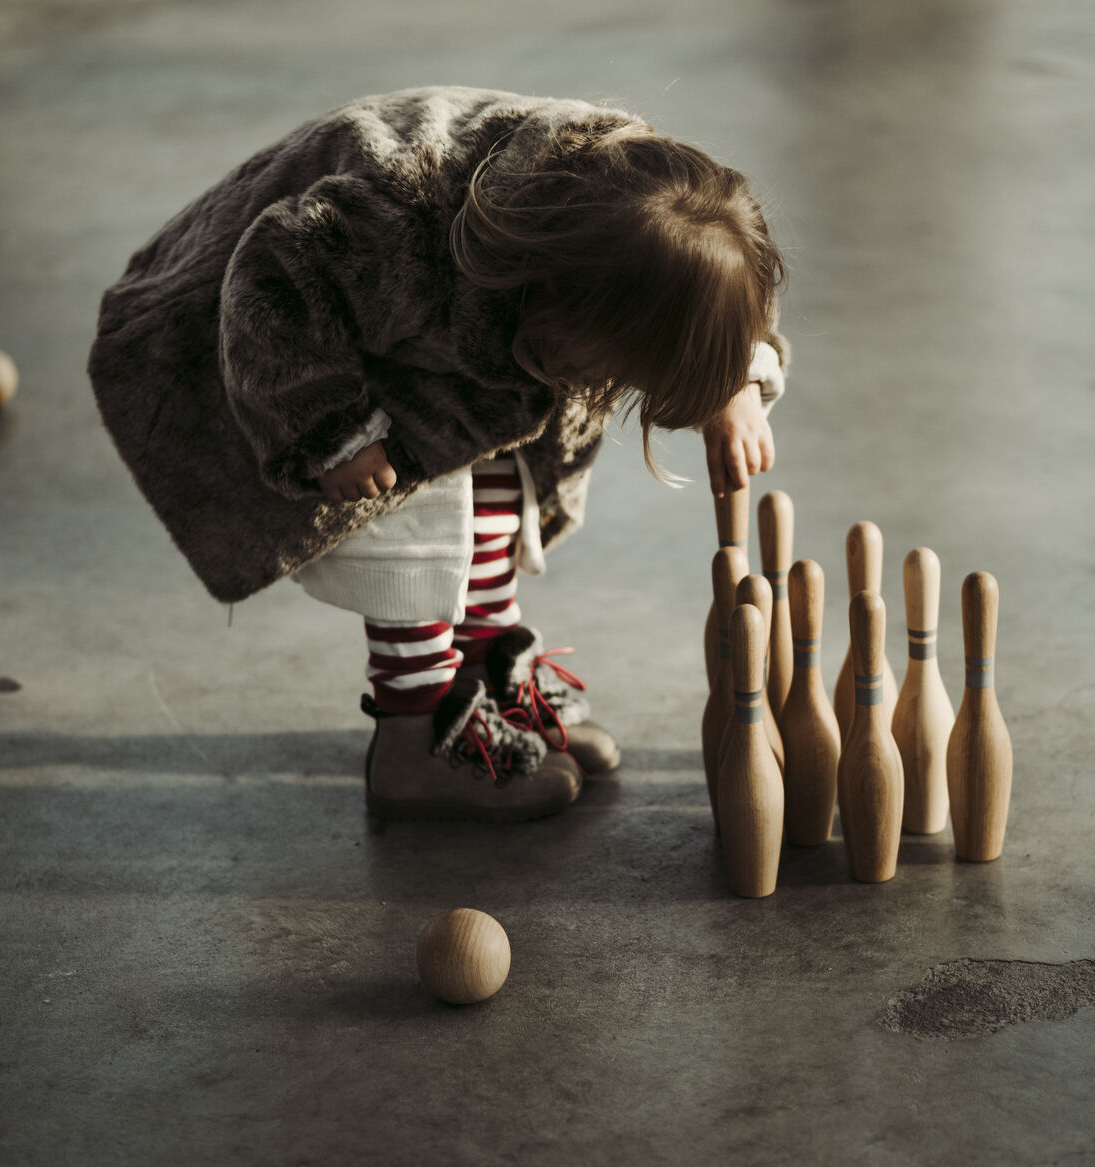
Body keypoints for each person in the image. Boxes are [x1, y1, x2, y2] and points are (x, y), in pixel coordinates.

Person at [88, 85, 789, 824]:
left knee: (498, 496)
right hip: (265, 345)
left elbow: (719, 295)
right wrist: (330, 430)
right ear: (570, 307)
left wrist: (736, 382)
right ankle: (415, 736)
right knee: (417, 536)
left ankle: (482, 680)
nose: (611, 390)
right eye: (612, 371)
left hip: (427, 345)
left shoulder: (641, 220)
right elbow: (273, 282)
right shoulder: (404, 224)